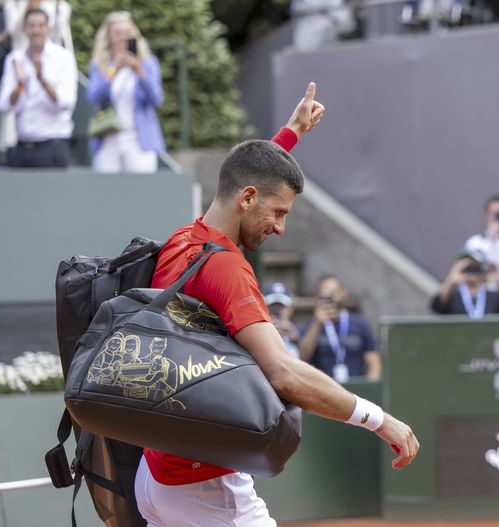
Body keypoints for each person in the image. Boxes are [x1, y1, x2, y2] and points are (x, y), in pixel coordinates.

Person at [134, 82, 418, 527]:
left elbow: (246, 170)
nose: (281, 228)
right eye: (279, 213)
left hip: (155, 474)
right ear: (247, 198)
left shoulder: (182, 239)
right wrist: (379, 419)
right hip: (204, 486)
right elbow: (283, 374)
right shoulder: (227, 268)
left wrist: (290, 133)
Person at [0, 7, 77, 167]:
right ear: (25, 29)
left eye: (40, 25)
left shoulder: (63, 57)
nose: (36, 30)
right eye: (32, 25)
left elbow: (66, 103)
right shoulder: (15, 59)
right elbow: (4, 105)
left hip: (53, 147)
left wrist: (42, 80)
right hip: (22, 147)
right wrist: (19, 86)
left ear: (48, 29)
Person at [87, 11, 164, 173]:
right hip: (108, 138)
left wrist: (139, 71)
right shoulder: (100, 64)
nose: (122, 38)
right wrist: (114, 71)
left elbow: (157, 99)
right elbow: (93, 97)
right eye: (117, 34)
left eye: (126, 33)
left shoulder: (147, 63)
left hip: (139, 139)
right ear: (108, 38)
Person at [297, 274, 382, 383]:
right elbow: (302, 357)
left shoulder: (360, 323)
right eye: (325, 294)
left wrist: (370, 387)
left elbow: (373, 361)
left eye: (333, 293)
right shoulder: (310, 325)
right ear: (317, 297)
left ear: (343, 293)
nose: (331, 298)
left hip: (356, 389)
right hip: (323, 388)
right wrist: (317, 324)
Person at [431, 249, 499, 317]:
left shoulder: (493, 296)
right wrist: (451, 279)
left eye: (476, 267)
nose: (471, 271)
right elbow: (437, 307)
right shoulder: (454, 296)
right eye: (468, 267)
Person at [4, 0, 73, 51]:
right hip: (21, 52)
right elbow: (12, 30)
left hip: (50, 58)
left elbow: (56, 33)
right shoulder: (14, 3)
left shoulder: (61, 6)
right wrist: (27, 8)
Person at [263, 282, 300, 358]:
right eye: (272, 306)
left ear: (290, 309)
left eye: (281, 306)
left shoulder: (297, 332)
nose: (277, 310)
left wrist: (295, 339)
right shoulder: (258, 332)